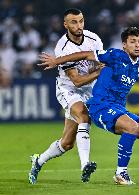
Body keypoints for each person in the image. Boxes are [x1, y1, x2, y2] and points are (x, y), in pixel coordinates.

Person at [39, 27, 139, 185]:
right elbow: (85, 54)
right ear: (124, 45)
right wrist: (57, 60)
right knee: (131, 127)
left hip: (118, 108)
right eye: (132, 42)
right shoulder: (115, 55)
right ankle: (121, 173)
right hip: (100, 106)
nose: (137, 45)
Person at [28, 8, 104, 184]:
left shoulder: (94, 39)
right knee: (84, 116)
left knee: (67, 143)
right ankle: (85, 164)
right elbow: (77, 81)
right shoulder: (62, 48)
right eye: (74, 22)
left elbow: (100, 63)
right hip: (68, 89)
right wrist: (100, 72)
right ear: (65, 24)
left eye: (81, 21)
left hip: (89, 89)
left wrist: (101, 71)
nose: (79, 26)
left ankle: (38, 161)